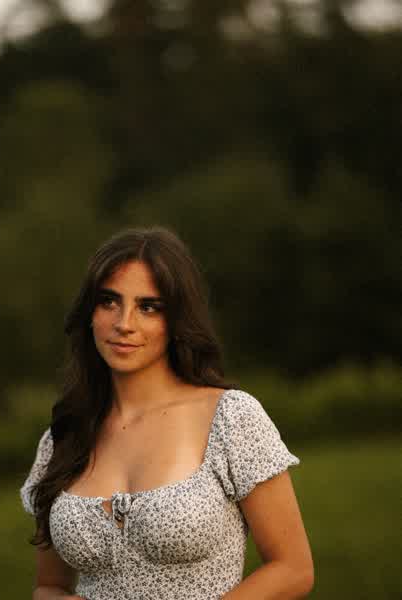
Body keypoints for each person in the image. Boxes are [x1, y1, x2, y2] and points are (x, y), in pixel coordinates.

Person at [20, 225, 314, 600]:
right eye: (109, 301)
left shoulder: (230, 417)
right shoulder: (64, 436)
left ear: (176, 320)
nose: (124, 324)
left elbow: (293, 569)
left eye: (148, 307)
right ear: (89, 312)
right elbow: (49, 586)